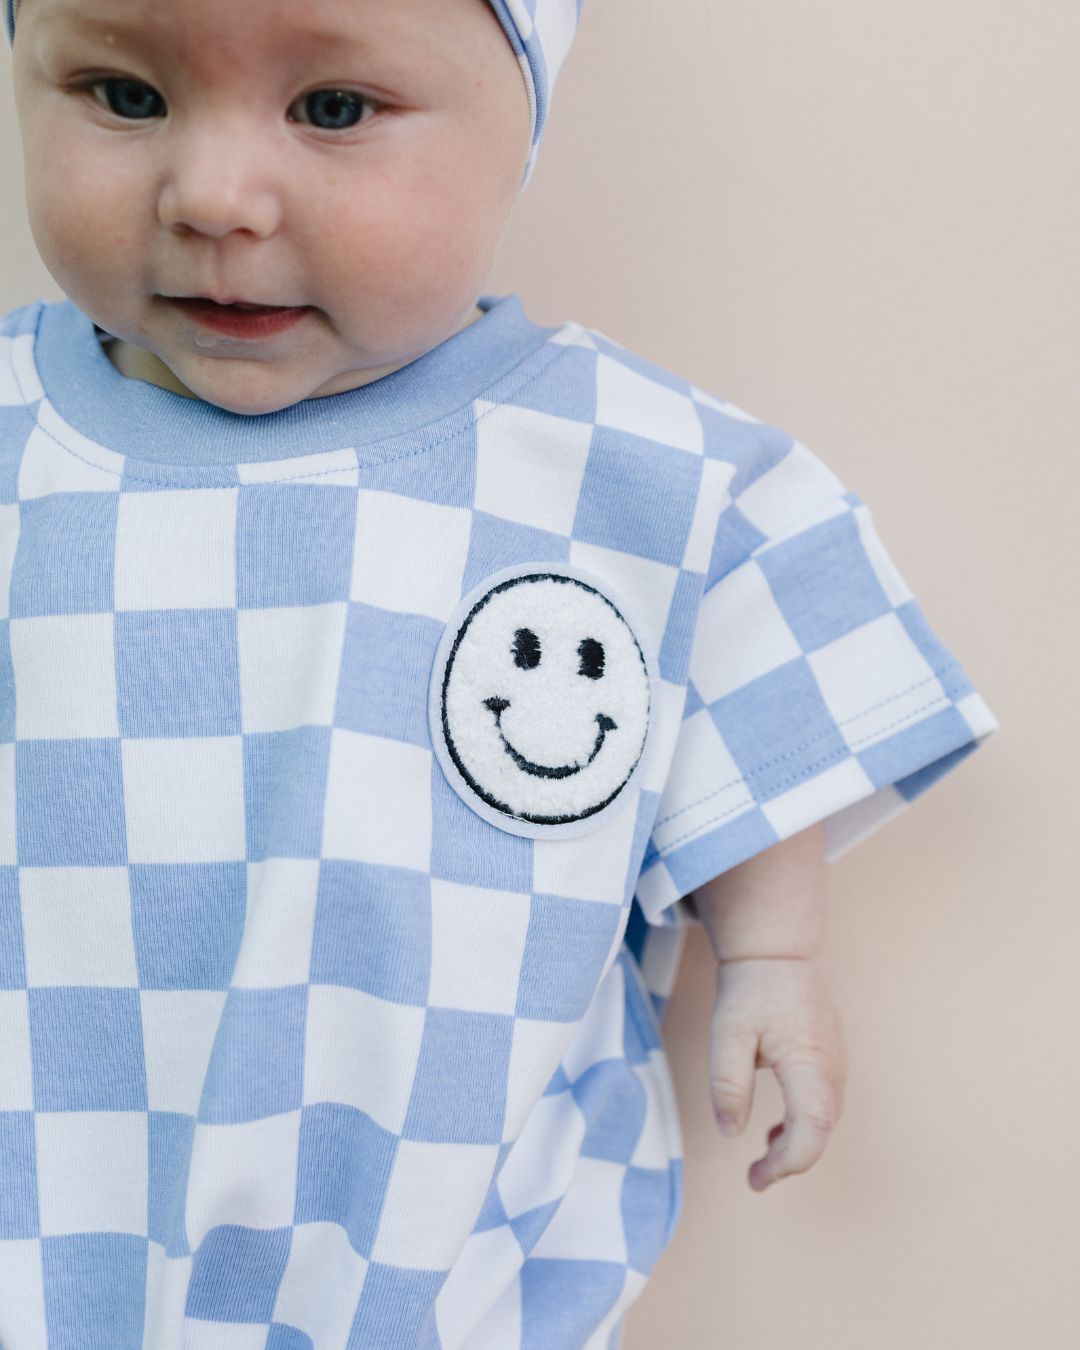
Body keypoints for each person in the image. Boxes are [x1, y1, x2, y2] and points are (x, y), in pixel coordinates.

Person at [0, 0, 999, 1345]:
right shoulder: (19, 443)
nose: (216, 196)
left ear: (523, 119)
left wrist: (770, 949)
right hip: (48, 1207)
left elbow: (737, 668)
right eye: (124, 95)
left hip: (439, 1266)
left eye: (334, 109)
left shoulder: (619, 469)